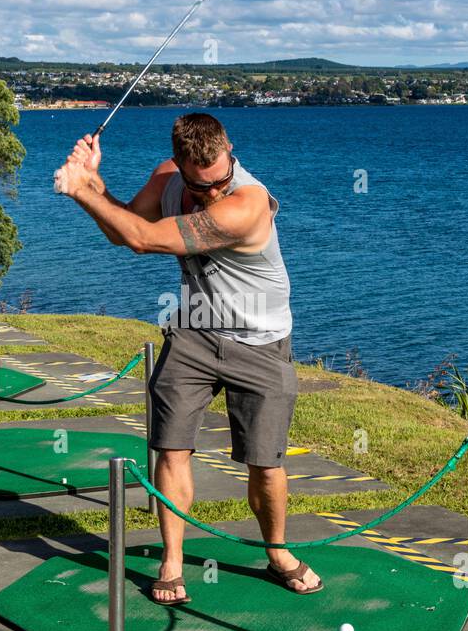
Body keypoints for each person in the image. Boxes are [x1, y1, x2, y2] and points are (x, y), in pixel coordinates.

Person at [53, 112, 319, 605]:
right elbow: (125, 229)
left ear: (229, 152)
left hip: (260, 342)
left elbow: (144, 238)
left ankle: (277, 551)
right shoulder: (167, 177)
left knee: (264, 462)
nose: (214, 192)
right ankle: (172, 558)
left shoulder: (247, 202)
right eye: (202, 186)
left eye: (220, 179)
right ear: (178, 164)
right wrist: (94, 182)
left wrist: (82, 190)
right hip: (194, 332)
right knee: (171, 448)